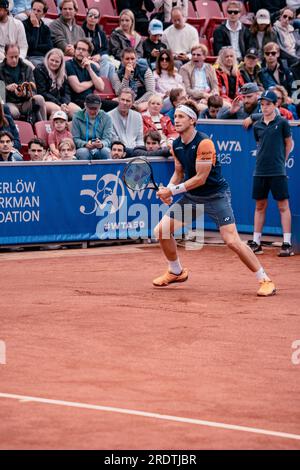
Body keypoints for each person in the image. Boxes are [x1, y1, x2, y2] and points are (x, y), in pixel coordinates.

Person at [152, 100, 276, 296]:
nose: (176, 120)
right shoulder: (176, 144)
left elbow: (201, 178)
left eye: (181, 116)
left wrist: (172, 191)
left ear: (192, 120)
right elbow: (179, 171)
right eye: (175, 116)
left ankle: (264, 279)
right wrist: (167, 189)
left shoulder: (204, 143)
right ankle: (176, 271)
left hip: (215, 195)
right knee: (162, 231)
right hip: (193, 197)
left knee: (232, 241)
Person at [248, 90, 294, 257]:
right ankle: (256, 242)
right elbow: (260, 144)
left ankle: (287, 243)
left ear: (276, 105)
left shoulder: (282, 123)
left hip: (277, 171)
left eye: (268, 104)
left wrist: (281, 161)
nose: (265, 107)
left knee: (283, 206)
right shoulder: (257, 125)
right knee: (259, 206)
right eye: (262, 104)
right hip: (259, 171)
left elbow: (288, 144)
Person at [0, 43, 47, 122]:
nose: (14, 60)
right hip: (9, 102)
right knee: (14, 112)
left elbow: (34, 90)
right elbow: (0, 98)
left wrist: (26, 94)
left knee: (39, 99)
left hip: (25, 102)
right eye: (11, 57)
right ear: (5, 55)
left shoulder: (27, 68)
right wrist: (6, 88)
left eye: (16, 56)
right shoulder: (0, 69)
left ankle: (43, 126)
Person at [34, 48, 80, 118]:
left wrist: (64, 103)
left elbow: (66, 93)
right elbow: (42, 92)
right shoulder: (39, 70)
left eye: (57, 61)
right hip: (45, 101)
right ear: (47, 59)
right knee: (58, 111)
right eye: (52, 60)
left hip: (59, 101)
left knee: (78, 112)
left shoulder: (63, 74)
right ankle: (52, 129)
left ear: (61, 63)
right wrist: (59, 104)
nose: (54, 63)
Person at [111, 47, 155, 112]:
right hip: (125, 100)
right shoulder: (116, 75)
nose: (130, 61)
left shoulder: (146, 70)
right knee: (114, 101)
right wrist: (126, 77)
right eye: (127, 59)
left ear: (136, 59)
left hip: (142, 100)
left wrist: (135, 103)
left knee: (141, 106)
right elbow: (119, 93)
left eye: (132, 59)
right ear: (122, 60)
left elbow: (150, 92)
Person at [65, 39, 105, 108]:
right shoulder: (69, 64)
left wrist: (89, 69)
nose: (80, 51)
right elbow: (77, 88)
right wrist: (93, 81)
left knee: (115, 105)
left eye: (83, 50)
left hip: (92, 100)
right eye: (78, 49)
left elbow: (101, 87)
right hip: (76, 101)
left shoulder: (92, 66)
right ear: (75, 51)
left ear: (89, 54)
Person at [72, 94, 112, 160]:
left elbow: (107, 139)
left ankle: (108, 171)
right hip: (84, 147)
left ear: (100, 106)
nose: (92, 111)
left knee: (106, 151)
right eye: (90, 108)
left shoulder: (106, 117)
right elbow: (75, 138)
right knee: (83, 153)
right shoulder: (77, 116)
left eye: (95, 108)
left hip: (100, 148)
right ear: (85, 105)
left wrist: (101, 144)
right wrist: (85, 144)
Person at [179, 44, 219, 108]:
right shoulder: (184, 69)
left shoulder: (210, 68)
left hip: (210, 97)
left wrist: (210, 96)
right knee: (204, 108)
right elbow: (187, 90)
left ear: (204, 57)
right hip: (193, 98)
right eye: (193, 54)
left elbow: (215, 87)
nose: (195, 57)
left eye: (198, 55)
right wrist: (203, 95)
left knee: (227, 106)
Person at [81, 7, 116, 80]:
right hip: (85, 58)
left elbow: (107, 49)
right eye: (90, 15)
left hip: (98, 59)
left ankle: (111, 89)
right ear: (86, 16)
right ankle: (102, 83)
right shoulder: (81, 31)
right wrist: (89, 57)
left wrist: (99, 55)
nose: (92, 18)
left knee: (111, 65)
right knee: (106, 59)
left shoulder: (101, 33)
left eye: (95, 16)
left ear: (98, 19)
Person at [22, 0, 53, 66]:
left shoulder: (45, 28)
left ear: (44, 14)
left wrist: (36, 46)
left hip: (44, 57)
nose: (35, 13)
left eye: (38, 11)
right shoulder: (23, 25)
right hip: (30, 57)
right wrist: (35, 26)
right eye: (34, 10)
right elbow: (31, 46)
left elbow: (49, 47)